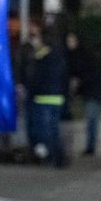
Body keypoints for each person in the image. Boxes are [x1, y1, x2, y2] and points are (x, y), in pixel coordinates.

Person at [26, 26, 68, 168]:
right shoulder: (59, 54)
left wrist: (30, 91)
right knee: (53, 130)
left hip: (42, 97)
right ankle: (58, 158)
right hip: (57, 97)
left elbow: (35, 77)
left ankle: (50, 157)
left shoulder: (42, 55)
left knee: (43, 131)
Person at [66, 31, 101, 155]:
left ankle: (91, 147)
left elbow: (87, 74)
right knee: (91, 119)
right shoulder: (74, 55)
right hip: (89, 91)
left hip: (93, 92)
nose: (69, 43)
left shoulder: (84, 56)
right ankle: (90, 146)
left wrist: (78, 82)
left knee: (92, 119)